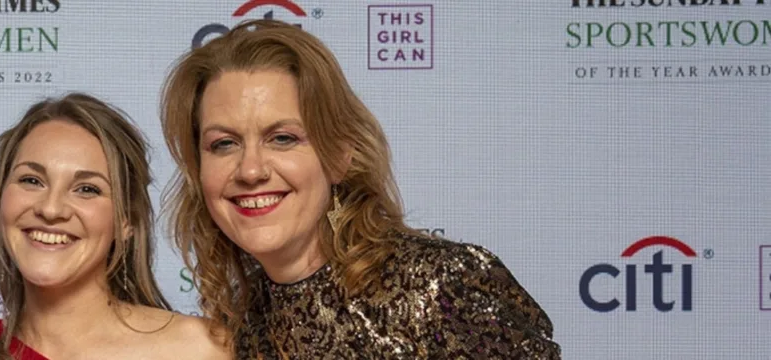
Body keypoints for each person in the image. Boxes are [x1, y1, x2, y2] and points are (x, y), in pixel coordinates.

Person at [160, 19, 560, 358]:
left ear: (338, 156)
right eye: (223, 144)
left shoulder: (439, 285)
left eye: (282, 138)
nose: (250, 170)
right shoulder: (241, 325)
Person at [0, 94, 229, 359]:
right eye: (31, 180)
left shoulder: (200, 349)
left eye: (87, 189)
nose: (51, 209)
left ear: (125, 221)